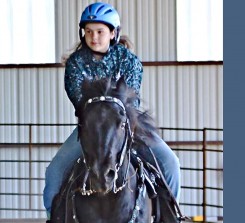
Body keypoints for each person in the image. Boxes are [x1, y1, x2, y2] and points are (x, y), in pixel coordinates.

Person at [43, 2, 180, 218]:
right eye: (88, 31)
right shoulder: (76, 63)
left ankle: (171, 217)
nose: (93, 37)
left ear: (113, 33)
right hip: (90, 129)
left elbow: (130, 102)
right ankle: (54, 218)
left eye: (99, 31)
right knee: (54, 173)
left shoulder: (129, 61)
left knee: (170, 163)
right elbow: (80, 102)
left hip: (127, 126)